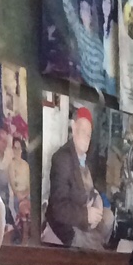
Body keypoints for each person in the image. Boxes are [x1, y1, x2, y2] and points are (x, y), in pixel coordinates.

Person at [44, 103, 107, 247]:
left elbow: (90, 188)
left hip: (85, 211)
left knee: (109, 219)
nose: (86, 138)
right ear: (73, 127)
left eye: (89, 135)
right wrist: (86, 215)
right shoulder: (62, 159)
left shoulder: (85, 158)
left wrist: (97, 198)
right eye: (83, 131)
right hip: (68, 226)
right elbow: (58, 208)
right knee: (98, 251)